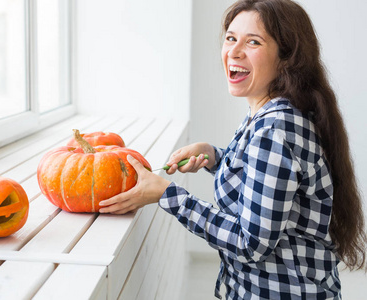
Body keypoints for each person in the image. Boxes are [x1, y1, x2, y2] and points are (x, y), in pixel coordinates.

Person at [99, 0, 367, 298]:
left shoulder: (276, 130)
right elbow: (267, 182)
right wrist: (215, 157)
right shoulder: (271, 113)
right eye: (231, 38)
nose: (234, 51)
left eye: (253, 41)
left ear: (287, 58)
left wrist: (167, 195)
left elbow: (249, 243)